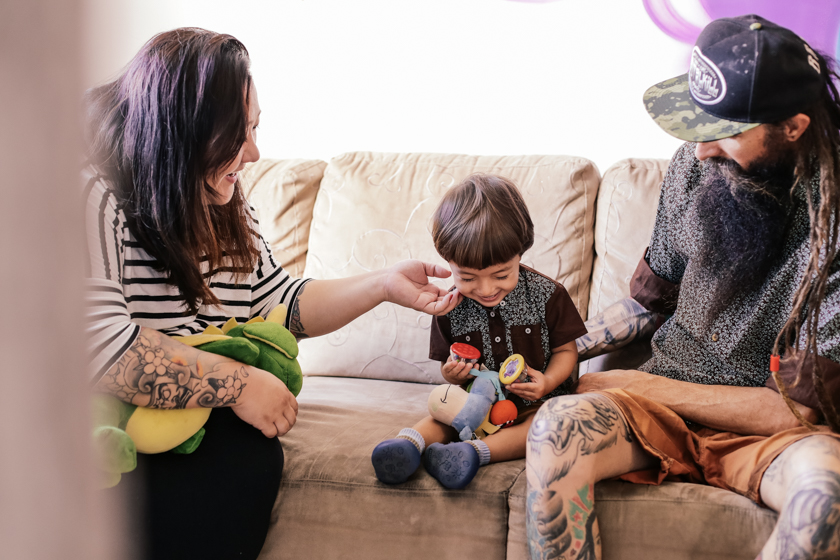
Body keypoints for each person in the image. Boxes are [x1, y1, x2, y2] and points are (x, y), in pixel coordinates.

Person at [84, 28, 460, 560]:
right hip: (112, 429)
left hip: (189, 421)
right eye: (237, 135)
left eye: (255, 128)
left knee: (245, 454)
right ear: (180, 133)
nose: (255, 153)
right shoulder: (93, 193)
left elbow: (276, 304)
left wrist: (382, 286)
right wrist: (239, 384)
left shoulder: (224, 200)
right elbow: (101, 349)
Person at [526, 15, 840, 560]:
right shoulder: (695, 167)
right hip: (661, 409)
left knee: (825, 499)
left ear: (793, 127)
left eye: (726, 132)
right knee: (556, 430)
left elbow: (797, 411)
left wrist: (630, 384)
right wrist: (559, 350)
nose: (699, 151)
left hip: (773, 431)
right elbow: (648, 303)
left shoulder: (833, 222)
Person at [371, 174, 585, 489]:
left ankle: (469, 453)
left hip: (536, 403)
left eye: (501, 274)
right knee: (445, 412)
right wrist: (454, 374)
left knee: (544, 428)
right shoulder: (448, 306)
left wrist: (548, 381)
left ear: (520, 254)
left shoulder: (548, 295)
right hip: (475, 405)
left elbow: (567, 351)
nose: (486, 289)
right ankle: (409, 445)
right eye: (468, 278)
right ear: (448, 264)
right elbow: (449, 369)